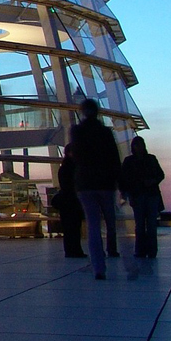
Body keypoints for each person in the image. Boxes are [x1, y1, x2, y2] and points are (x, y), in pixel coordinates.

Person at [69, 98, 121, 279]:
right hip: (105, 184)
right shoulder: (105, 132)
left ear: (82, 112)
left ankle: (99, 267)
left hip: (86, 184)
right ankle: (112, 249)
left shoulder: (77, 131)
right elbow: (115, 159)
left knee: (93, 226)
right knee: (110, 220)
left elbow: (76, 156)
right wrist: (117, 181)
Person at [119, 136, 165, 258]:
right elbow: (123, 180)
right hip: (140, 196)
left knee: (148, 225)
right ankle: (146, 251)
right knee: (142, 225)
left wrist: (152, 181)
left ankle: (147, 251)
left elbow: (160, 175)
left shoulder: (148, 159)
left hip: (147, 195)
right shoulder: (134, 161)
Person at [54, 153, 87, 258]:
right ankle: (76, 250)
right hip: (73, 202)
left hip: (66, 202)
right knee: (75, 228)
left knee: (69, 229)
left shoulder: (63, 168)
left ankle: (70, 250)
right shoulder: (75, 168)